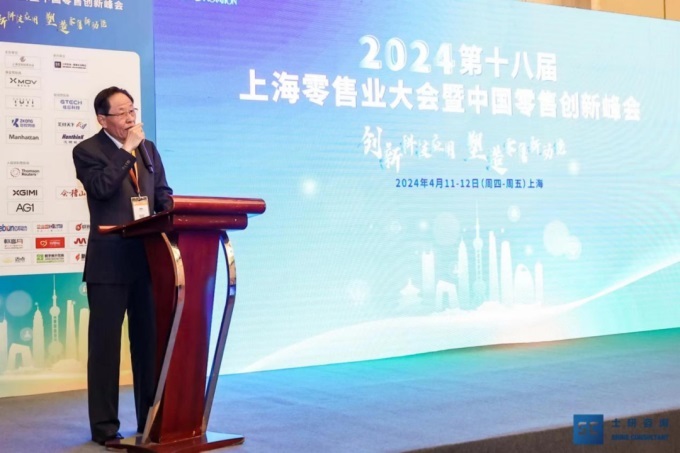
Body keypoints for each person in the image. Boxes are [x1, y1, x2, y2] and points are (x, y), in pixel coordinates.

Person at [73, 86, 173, 445]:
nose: (131, 118)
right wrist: (126, 151)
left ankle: (150, 420)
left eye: (132, 110)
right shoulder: (87, 151)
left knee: (147, 345)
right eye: (122, 112)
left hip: (147, 261)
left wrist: (170, 212)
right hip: (109, 264)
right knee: (105, 349)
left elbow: (162, 193)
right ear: (103, 119)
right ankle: (104, 428)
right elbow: (101, 188)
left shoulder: (149, 149)